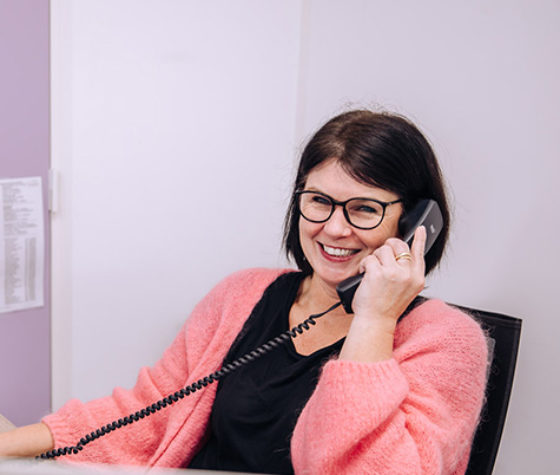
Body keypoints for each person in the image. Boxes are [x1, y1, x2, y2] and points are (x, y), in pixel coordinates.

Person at [0, 110, 488, 474]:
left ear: (415, 224)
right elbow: (149, 410)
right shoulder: (241, 295)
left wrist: (375, 321)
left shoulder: (447, 342)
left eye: (363, 209)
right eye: (318, 201)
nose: (334, 228)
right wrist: (18, 441)